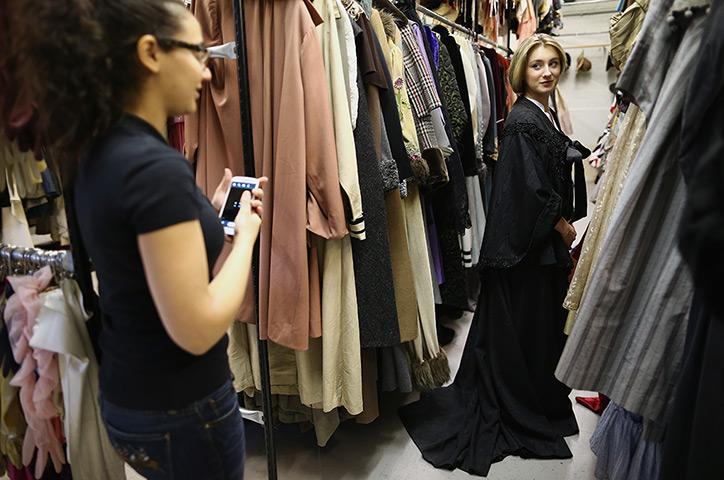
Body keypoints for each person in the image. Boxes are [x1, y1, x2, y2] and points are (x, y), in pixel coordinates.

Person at [7, 0, 266, 478]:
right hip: (184, 408)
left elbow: (133, 252)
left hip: (131, 396)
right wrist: (246, 238)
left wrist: (202, 216)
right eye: (197, 53)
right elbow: (199, 327)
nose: (206, 73)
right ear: (150, 52)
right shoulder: (151, 167)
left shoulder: (98, 148)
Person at [399, 33, 588, 476]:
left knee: (533, 328)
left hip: (533, 249)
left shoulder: (539, 112)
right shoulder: (523, 119)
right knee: (524, 327)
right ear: (521, 70)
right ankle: (524, 399)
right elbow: (530, 189)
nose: (547, 72)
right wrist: (561, 226)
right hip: (529, 250)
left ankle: (536, 394)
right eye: (537, 65)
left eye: (553, 64)